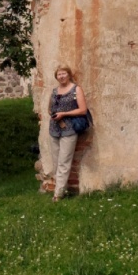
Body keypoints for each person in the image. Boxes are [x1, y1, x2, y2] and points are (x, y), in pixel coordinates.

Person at [48, 65, 88, 202]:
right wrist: (54, 115)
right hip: (54, 129)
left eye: (64, 73)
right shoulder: (54, 91)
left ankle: (58, 194)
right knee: (56, 161)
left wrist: (64, 114)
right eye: (59, 74)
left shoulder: (76, 89)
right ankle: (59, 188)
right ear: (56, 76)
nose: (62, 76)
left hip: (69, 129)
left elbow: (83, 110)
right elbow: (50, 108)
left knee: (64, 162)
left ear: (69, 74)